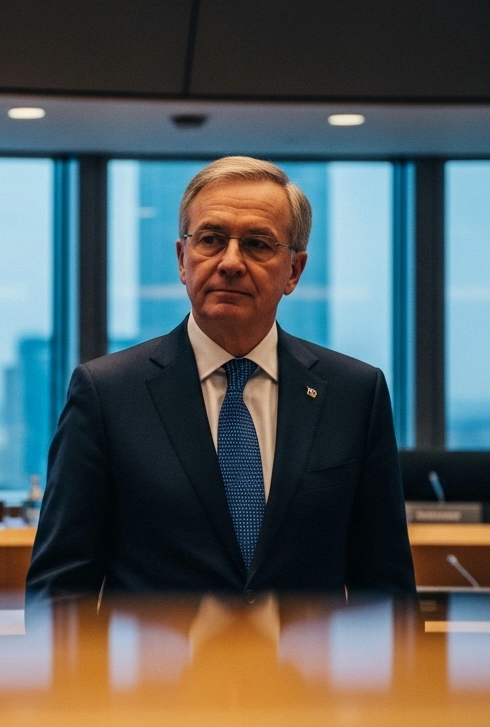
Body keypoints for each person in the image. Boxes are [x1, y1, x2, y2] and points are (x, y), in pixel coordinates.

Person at [27, 156, 415, 597]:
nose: (230, 262)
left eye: (257, 244)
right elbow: (60, 589)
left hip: (306, 667)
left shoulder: (354, 394)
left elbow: (387, 590)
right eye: (211, 239)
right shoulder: (108, 393)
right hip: (153, 668)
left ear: (294, 271)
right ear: (182, 259)